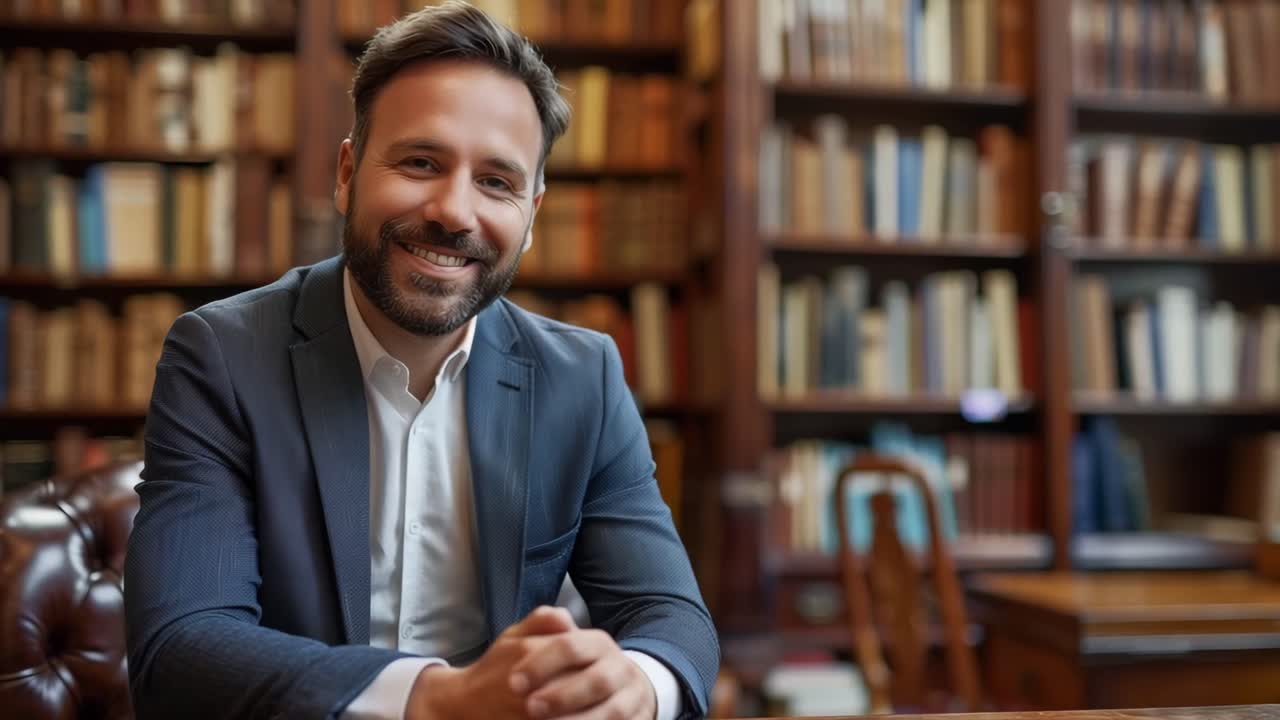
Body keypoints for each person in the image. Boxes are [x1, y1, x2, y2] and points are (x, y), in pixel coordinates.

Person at [122, 2, 719, 718]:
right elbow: (181, 648)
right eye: (420, 162)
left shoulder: (581, 377)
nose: (454, 211)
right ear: (347, 173)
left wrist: (635, 685)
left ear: (531, 216)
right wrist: (441, 699)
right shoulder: (222, 356)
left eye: (496, 182)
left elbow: (670, 615)